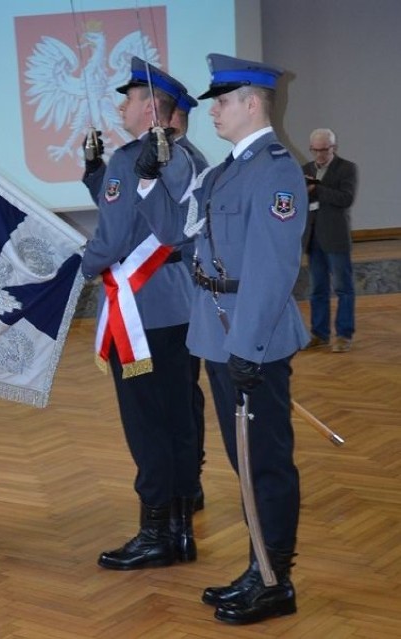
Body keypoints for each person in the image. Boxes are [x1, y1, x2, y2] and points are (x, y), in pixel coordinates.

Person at [136, 53, 309, 625]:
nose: (212, 110)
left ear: (251, 103)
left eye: (222, 100)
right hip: (218, 331)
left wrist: (248, 347)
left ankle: (275, 579)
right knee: (243, 459)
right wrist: (150, 175)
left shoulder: (275, 169)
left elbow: (273, 266)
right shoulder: (224, 170)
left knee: (265, 462)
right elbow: (174, 236)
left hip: (248, 336)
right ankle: (258, 565)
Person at [81, 57, 200, 572]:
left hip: (141, 314)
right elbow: (137, 215)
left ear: (151, 107)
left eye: (127, 99)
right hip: (177, 306)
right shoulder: (184, 155)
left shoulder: (135, 158)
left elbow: (113, 233)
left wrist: (77, 265)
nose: (121, 107)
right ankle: (179, 529)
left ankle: (156, 534)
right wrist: (95, 173)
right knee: (177, 418)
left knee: (146, 423)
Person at [172, 93, 210, 513]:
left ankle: (189, 480)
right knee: (184, 392)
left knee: (183, 393)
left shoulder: (185, 162)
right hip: (181, 292)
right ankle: (188, 477)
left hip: (182, 291)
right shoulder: (182, 157)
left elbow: (182, 234)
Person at [301, 128, 358, 352]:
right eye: (314, 150)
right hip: (313, 238)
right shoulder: (305, 169)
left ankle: (344, 335)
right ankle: (319, 333)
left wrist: (318, 189)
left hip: (335, 238)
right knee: (318, 289)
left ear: (333, 147)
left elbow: (346, 198)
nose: (319, 155)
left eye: (323, 150)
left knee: (344, 288)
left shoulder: (347, 168)